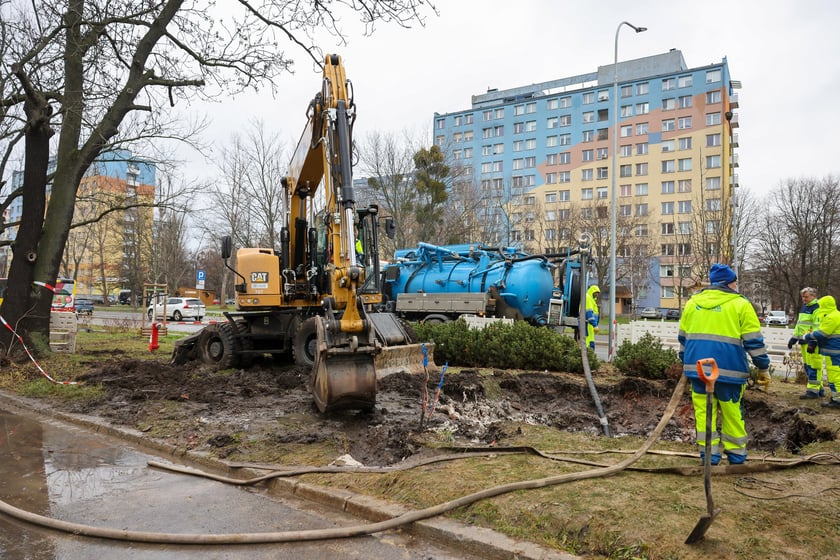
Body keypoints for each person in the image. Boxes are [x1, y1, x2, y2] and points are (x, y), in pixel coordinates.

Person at [678, 263, 770, 465]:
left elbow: (683, 338)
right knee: (732, 411)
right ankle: (736, 454)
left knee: (703, 412)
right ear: (731, 283)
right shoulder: (741, 304)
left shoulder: (693, 303)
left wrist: (685, 361)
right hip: (730, 370)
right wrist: (763, 367)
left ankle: (709, 454)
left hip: (698, 369)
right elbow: (754, 341)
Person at [801, 295, 840, 408]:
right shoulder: (833, 315)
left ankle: (837, 400)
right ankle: (835, 398)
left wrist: (806, 336)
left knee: (835, 375)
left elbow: (822, 333)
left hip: (834, 352)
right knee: (833, 375)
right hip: (832, 351)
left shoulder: (831, 317)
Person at [788, 287, 824, 399]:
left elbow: (817, 327)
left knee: (814, 366)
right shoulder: (805, 307)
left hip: (812, 342)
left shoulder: (817, 308)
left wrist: (813, 342)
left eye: (806, 297)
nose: (804, 299)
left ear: (813, 296)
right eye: (803, 297)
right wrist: (794, 338)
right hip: (804, 341)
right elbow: (800, 325)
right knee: (808, 366)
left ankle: (813, 391)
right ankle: (819, 389)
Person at [585, 284, 600, 350]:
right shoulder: (588, 298)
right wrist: (594, 325)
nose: (597, 295)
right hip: (588, 324)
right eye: (596, 293)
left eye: (598, 293)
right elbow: (589, 313)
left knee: (590, 341)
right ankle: (588, 355)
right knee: (588, 342)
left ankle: (589, 355)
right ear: (592, 292)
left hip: (590, 325)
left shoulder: (591, 299)